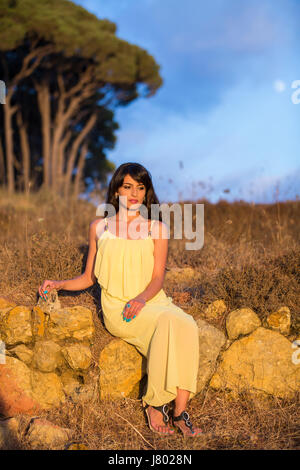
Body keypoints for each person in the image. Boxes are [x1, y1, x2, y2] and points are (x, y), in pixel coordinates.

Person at [39, 162, 203, 437]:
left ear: (146, 192)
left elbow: (157, 279)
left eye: (140, 187)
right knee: (166, 324)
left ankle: (179, 412)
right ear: (116, 190)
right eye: (128, 186)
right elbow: (89, 277)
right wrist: (59, 284)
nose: (134, 193)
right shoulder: (99, 227)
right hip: (118, 308)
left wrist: (141, 298)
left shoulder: (156, 228)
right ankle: (155, 404)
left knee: (185, 323)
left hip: (151, 300)